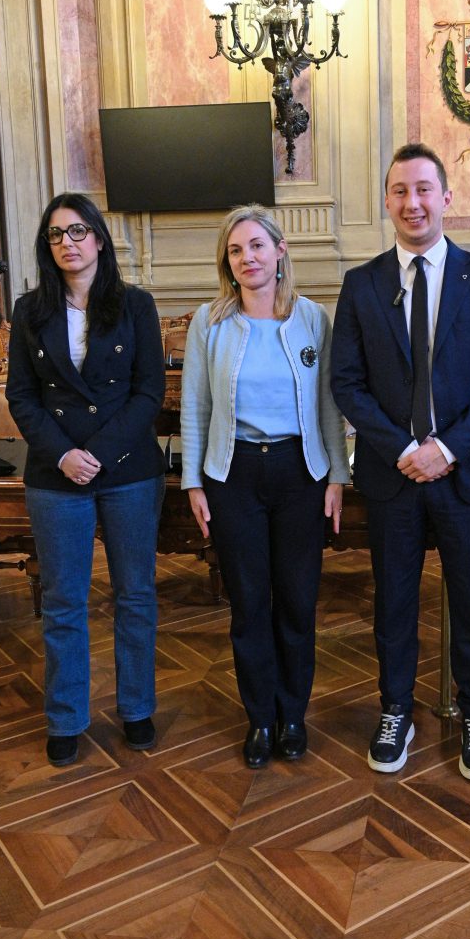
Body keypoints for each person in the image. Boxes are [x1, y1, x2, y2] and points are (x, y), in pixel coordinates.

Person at [330, 142, 470, 779]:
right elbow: (347, 384)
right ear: (387, 201)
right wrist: (406, 449)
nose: (412, 202)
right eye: (399, 191)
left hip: (464, 475)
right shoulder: (361, 285)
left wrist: (446, 447)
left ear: (446, 198)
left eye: (422, 189)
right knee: (393, 604)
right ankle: (395, 710)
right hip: (392, 475)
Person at [180, 204, 350, 769]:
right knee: (250, 604)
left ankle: (293, 715)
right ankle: (260, 719)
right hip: (233, 476)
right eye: (235, 250)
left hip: (301, 473)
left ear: (280, 251)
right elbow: (195, 406)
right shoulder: (210, 322)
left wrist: (337, 476)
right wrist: (193, 481)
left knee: (297, 602)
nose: (247, 258)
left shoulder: (312, 319)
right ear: (226, 262)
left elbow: (328, 405)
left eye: (256, 246)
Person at [6, 193, 166, 767]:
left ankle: (137, 709)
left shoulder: (135, 305)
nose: (67, 243)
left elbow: (150, 391)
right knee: (63, 600)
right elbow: (21, 396)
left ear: (98, 238)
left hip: (128, 469)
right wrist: (65, 455)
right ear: (46, 246)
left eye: (77, 231)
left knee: (135, 594)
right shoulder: (30, 310)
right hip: (56, 474)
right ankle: (66, 717)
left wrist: (95, 452)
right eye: (55, 234)